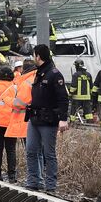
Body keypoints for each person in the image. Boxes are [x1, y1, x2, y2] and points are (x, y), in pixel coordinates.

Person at [25, 44, 69, 192]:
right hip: (35, 118)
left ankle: (50, 185)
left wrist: (63, 119)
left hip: (48, 120)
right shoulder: (39, 72)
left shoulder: (54, 74)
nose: (33, 58)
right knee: (31, 150)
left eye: (34, 55)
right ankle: (34, 182)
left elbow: (63, 99)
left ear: (38, 56)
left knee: (48, 154)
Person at [3, 59, 38, 183]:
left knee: (26, 151)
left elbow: (18, 102)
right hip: (38, 121)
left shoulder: (23, 82)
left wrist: (12, 103)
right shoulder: (40, 77)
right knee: (38, 152)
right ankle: (39, 179)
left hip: (22, 121)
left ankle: (22, 177)